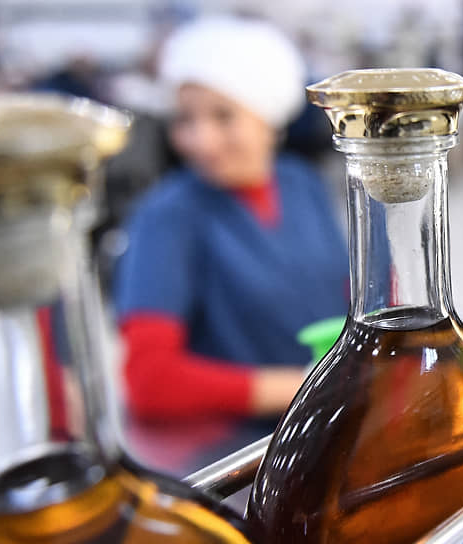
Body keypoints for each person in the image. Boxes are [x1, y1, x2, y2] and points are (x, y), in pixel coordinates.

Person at [114, 15, 349, 471]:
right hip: (240, 458)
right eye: (184, 119)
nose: (200, 140)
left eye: (224, 116)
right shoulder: (168, 216)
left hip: (326, 429)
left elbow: (349, 290)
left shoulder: (301, 184)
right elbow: (149, 379)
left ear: (268, 117)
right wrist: (305, 386)